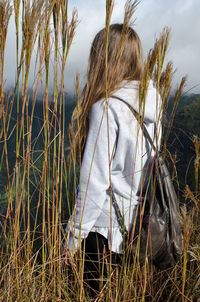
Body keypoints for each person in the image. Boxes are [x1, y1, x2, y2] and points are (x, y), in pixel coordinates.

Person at [64, 23, 162, 294]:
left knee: (91, 295)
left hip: (102, 231)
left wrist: (73, 238)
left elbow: (94, 183)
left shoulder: (106, 107)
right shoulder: (153, 102)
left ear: (102, 59)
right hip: (138, 228)